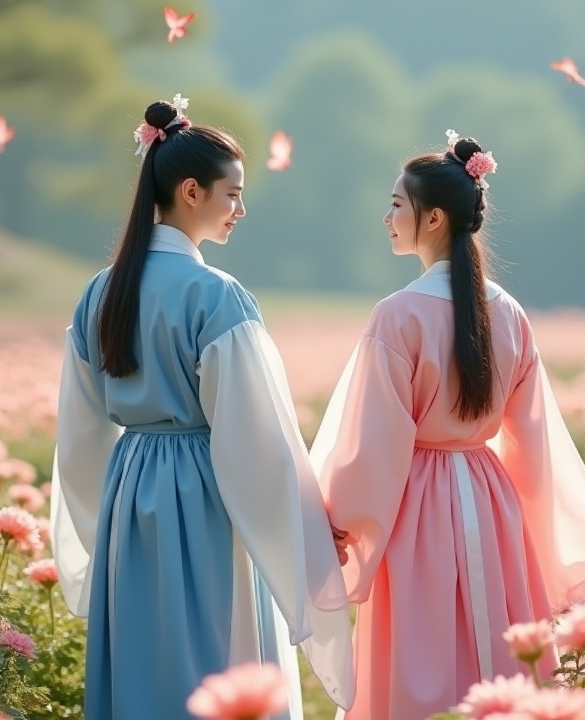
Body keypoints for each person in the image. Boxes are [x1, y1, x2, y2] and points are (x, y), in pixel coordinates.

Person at [49, 95, 353, 720]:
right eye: (232, 194)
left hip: (129, 492)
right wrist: (305, 526)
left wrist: (99, 524)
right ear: (191, 191)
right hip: (206, 493)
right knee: (218, 658)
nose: (241, 209)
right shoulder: (216, 296)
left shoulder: (98, 293)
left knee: (143, 661)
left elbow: (79, 436)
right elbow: (256, 440)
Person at [310, 131, 585, 719]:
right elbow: (534, 441)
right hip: (491, 496)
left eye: (397, 204)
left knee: (420, 656)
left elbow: (375, 447)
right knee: (495, 645)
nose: (387, 217)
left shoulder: (399, 316)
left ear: (435, 216)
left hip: (418, 501)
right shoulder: (508, 311)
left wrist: (339, 524)